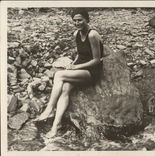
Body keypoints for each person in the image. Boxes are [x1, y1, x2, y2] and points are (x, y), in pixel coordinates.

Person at [33, 8, 104, 138]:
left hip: (92, 72)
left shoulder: (92, 35)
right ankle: (56, 126)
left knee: (59, 75)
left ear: (86, 19)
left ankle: (49, 109)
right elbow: (79, 54)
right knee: (65, 87)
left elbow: (96, 60)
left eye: (80, 20)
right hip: (80, 69)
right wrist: (72, 64)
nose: (77, 23)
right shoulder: (76, 34)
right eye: (75, 20)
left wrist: (76, 68)